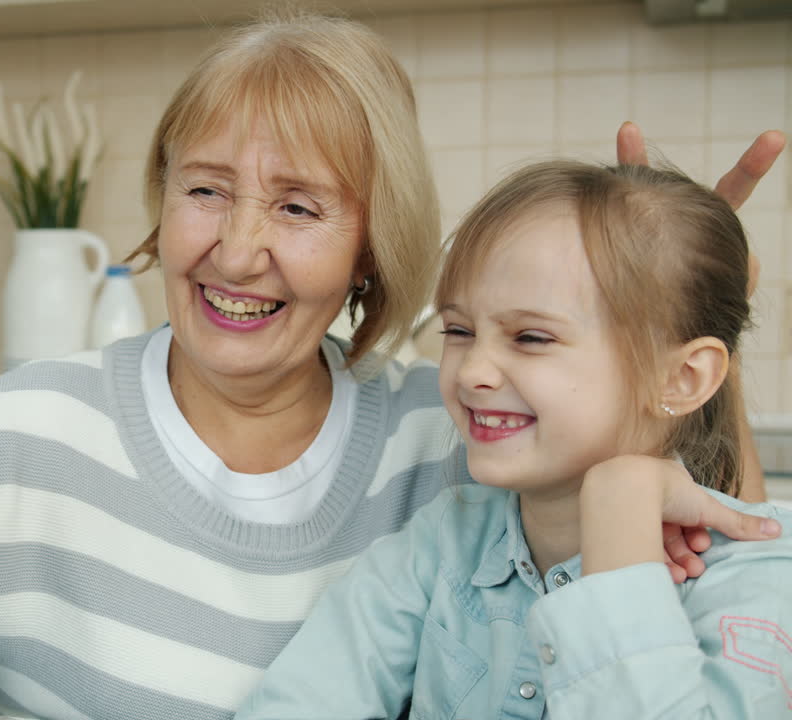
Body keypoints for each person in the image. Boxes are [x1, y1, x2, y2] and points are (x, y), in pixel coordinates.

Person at [0, 11, 782, 720]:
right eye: (204, 189)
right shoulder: (14, 438)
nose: (237, 246)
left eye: (298, 206)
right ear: (161, 207)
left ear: (371, 249)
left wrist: (654, 307)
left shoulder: (463, 438)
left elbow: (675, 540)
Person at [234, 160, 792, 719]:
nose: (473, 370)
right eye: (459, 330)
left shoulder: (759, 576)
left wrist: (621, 514)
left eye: (531, 337)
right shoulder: (442, 541)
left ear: (682, 378)